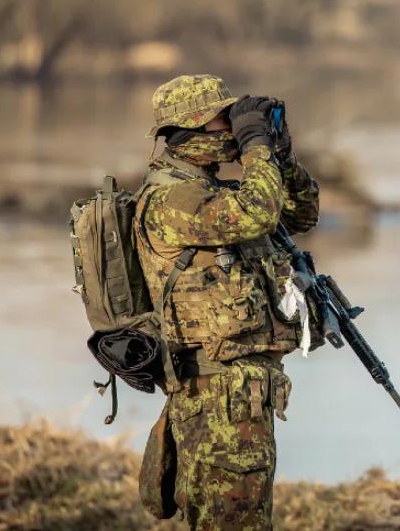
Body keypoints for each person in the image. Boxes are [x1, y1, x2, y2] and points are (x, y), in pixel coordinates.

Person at [134, 73, 320, 529]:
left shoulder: (210, 193)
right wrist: (255, 146)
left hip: (237, 395)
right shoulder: (173, 201)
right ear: (194, 131)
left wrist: (280, 153)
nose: (234, 132)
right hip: (217, 395)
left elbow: (301, 214)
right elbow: (258, 211)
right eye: (227, 122)